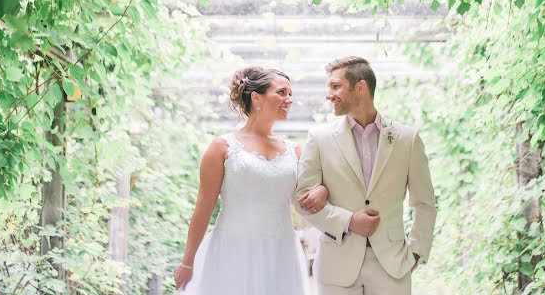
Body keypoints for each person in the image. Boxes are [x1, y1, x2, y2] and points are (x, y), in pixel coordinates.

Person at [173, 67, 329, 294]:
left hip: (281, 252)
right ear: (257, 98)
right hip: (233, 250)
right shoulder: (222, 147)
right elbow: (203, 209)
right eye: (282, 92)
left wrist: (322, 190)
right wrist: (188, 262)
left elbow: (307, 196)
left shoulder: (295, 151)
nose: (289, 100)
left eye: (290, 94)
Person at [295, 56, 437, 295]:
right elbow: (302, 201)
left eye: (335, 86)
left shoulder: (407, 139)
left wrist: (416, 253)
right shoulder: (319, 138)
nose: (328, 94)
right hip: (336, 265)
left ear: (360, 87)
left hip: (393, 265)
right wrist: (349, 221)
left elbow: (424, 202)